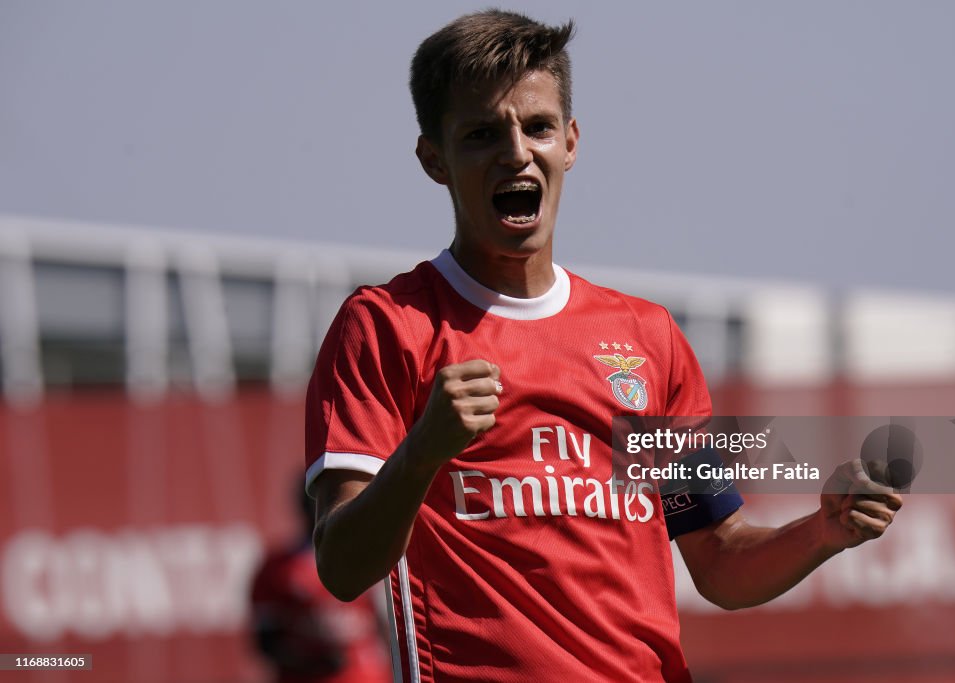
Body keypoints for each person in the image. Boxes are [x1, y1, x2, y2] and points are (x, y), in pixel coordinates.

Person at [305, 10, 902, 683]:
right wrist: (421, 454)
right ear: (433, 159)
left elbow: (720, 559)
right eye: (480, 135)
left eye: (537, 127)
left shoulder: (649, 337)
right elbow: (342, 566)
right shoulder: (388, 325)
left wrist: (823, 531)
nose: (515, 152)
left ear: (571, 141)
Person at [249, 476, 391, 683]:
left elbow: (387, 630)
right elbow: (266, 643)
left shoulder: (372, 556)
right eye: (314, 497)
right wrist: (311, 662)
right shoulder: (277, 567)